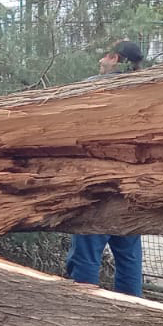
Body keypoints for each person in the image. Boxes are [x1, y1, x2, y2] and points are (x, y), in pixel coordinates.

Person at [65, 41, 146, 297]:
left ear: (112, 57)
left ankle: (84, 307)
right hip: (133, 183)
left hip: (98, 182)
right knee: (129, 255)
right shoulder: (146, 88)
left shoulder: (94, 87)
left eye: (103, 56)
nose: (100, 61)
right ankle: (132, 310)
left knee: (87, 250)